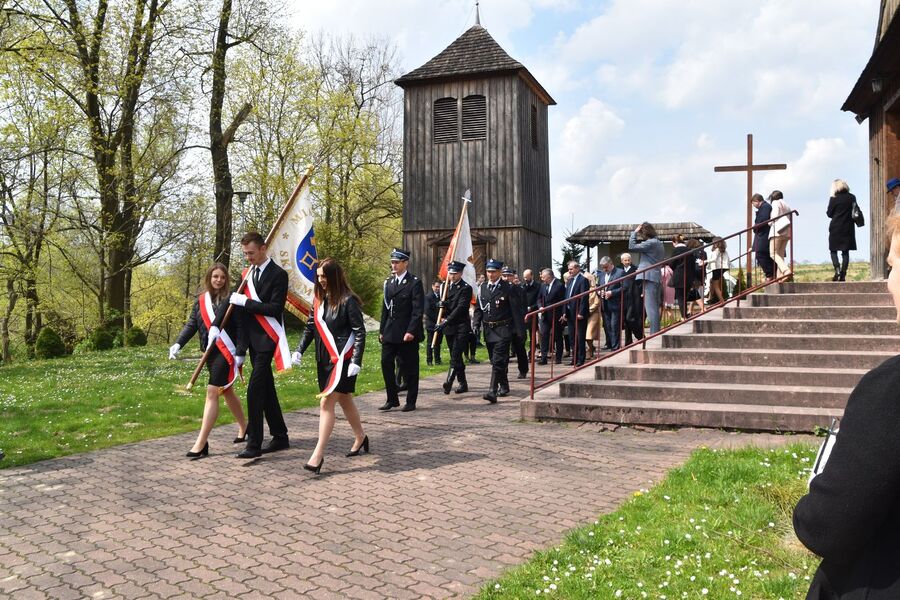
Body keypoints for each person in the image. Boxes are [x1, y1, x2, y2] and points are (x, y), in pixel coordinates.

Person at [793, 211, 900, 599]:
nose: (888, 282)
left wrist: (812, 501)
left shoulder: (890, 392)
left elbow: (825, 526)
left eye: (893, 266)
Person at [291, 258, 367, 475]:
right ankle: (361, 437)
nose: (320, 280)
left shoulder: (348, 300)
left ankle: (317, 455)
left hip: (343, 359)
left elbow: (359, 332)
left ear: (334, 276)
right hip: (323, 359)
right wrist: (299, 350)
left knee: (326, 403)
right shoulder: (318, 299)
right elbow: (310, 327)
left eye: (324, 276)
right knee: (344, 399)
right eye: (318, 276)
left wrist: (356, 361)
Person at [170, 263, 248, 457]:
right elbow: (192, 325)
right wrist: (178, 344)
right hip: (209, 353)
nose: (218, 280)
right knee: (226, 390)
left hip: (226, 352)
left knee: (212, 392)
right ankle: (245, 427)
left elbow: (240, 328)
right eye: (215, 276)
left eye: (222, 277)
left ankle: (201, 443)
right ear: (209, 278)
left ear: (226, 279)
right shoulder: (201, 301)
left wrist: (240, 352)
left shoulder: (232, 301)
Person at [226, 232, 291, 459]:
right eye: (245, 254)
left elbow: (275, 309)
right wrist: (240, 348)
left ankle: (254, 444)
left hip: (268, 338)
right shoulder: (247, 274)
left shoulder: (278, 275)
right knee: (266, 389)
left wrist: (247, 302)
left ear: (263, 248)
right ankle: (280, 436)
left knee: (255, 390)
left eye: (251, 253)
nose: (248, 258)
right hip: (252, 340)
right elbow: (238, 311)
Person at [378, 248, 424, 412]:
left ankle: (411, 401)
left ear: (405, 263)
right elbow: (385, 308)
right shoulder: (388, 283)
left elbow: (417, 310)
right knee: (386, 363)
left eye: (397, 262)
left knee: (410, 367)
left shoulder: (414, 282)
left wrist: (411, 331)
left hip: (407, 333)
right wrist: (381, 330)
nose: (394, 265)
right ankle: (392, 398)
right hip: (390, 331)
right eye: (392, 262)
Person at [475, 259, 518, 402]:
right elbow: (478, 309)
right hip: (489, 329)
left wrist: (519, 330)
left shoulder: (508, 287)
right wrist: (476, 324)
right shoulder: (483, 287)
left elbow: (515, 310)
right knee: (495, 361)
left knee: (498, 360)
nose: (491, 274)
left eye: (493, 272)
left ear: (499, 272)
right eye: (488, 271)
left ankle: (492, 392)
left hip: (503, 329)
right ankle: (504, 386)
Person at [437, 261, 473, 395]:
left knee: (456, 354)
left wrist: (446, 320)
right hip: (449, 327)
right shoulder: (445, 287)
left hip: (461, 326)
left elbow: (461, 308)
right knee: (455, 355)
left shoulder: (465, 288)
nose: (452, 276)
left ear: (460, 273)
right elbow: (446, 305)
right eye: (450, 273)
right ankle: (463, 383)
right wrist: (441, 305)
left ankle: (449, 381)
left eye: (455, 273)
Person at [629, 222, 665, 333]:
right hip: (655, 277)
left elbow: (632, 246)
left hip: (649, 277)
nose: (641, 236)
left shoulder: (651, 243)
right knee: (653, 307)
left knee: (650, 308)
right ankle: (655, 332)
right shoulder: (658, 243)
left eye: (641, 234)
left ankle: (654, 333)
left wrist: (634, 233)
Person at [827, 179, 858, 282]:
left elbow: (829, 214)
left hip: (836, 227)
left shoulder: (834, 198)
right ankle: (843, 275)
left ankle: (837, 270)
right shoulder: (852, 197)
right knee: (845, 252)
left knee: (833, 250)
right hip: (848, 228)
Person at [502, 266, 529, 378]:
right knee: (503, 351)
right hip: (503, 324)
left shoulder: (519, 290)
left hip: (516, 325)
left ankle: (523, 370)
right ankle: (503, 372)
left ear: (513, 277)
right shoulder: (499, 289)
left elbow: (523, 308)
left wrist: (521, 326)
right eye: (504, 275)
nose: (507, 278)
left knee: (519, 349)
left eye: (509, 275)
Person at [561, 261, 589, 366]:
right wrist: (564, 312)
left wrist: (581, 312)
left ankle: (581, 359)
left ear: (577, 268)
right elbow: (566, 297)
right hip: (569, 313)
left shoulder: (583, 280)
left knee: (580, 337)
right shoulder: (569, 281)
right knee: (572, 337)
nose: (569, 271)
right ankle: (574, 358)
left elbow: (584, 297)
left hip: (578, 313)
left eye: (571, 269)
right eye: (569, 269)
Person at [596, 256, 624, 351]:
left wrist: (612, 293)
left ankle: (615, 347)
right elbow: (598, 287)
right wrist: (599, 292)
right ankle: (612, 344)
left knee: (615, 326)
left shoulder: (620, 272)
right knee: (607, 326)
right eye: (603, 267)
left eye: (606, 267)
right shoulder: (601, 275)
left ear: (611, 264)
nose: (604, 269)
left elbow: (625, 287)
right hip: (605, 304)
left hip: (616, 304)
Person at [538, 267, 565, 364]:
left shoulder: (559, 285)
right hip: (545, 315)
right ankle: (543, 358)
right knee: (544, 335)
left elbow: (563, 301)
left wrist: (563, 313)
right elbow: (539, 298)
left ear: (549, 276)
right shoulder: (543, 285)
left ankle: (558, 358)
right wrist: (540, 307)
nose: (542, 279)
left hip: (556, 315)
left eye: (543, 277)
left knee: (557, 337)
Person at [768, 190, 795, 279]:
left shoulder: (775, 203)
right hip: (786, 232)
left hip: (777, 231)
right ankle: (780, 276)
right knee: (780, 254)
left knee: (773, 253)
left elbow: (774, 217)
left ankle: (786, 271)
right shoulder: (787, 205)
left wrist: (769, 223)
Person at [618, 253, 643, 346]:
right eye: (625, 260)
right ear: (621, 261)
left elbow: (640, 283)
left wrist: (641, 292)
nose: (627, 262)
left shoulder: (635, 269)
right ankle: (628, 341)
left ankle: (640, 335)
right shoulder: (619, 271)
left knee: (631, 318)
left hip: (634, 296)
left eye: (628, 260)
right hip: (623, 296)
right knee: (625, 319)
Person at [751, 193, 775, 282]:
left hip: (764, 234)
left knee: (760, 254)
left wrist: (756, 226)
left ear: (756, 201)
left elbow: (764, 219)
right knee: (764, 254)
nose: (753, 205)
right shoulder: (765, 207)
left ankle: (770, 274)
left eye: (753, 203)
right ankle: (771, 274)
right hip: (762, 234)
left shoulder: (765, 207)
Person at [669, 234, 692, 319]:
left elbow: (671, 263)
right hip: (689, 277)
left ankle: (684, 316)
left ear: (674, 242)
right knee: (685, 297)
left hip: (679, 276)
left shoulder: (676, 250)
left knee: (680, 297)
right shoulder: (689, 250)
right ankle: (685, 315)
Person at [423, 281, 443, 365]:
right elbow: (428, 311)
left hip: (440, 324)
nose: (437, 289)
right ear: (432, 286)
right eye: (436, 287)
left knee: (438, 343)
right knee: (430, 342)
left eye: (439, 287)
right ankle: (429, 360)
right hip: (431, 324)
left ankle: (437, 360)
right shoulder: (428, 297)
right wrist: (438, 319)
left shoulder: (442, 297)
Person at [521, 268, 540, 354]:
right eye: (524, 277)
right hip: (524, 313)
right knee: (523, 334)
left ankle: (532, 353)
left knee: (532, 334)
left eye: (527, 277)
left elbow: (539, 300)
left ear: (532, 276)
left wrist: (531, 307)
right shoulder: (523, 287)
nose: (525, 279)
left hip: (534, 313)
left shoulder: (538, 286)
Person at [585, 272, 602, 357]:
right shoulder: (582, 288)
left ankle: (590, 349)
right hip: (583, 313)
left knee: (589, 333)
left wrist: (589, 310)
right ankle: (591, 347)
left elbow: (597, 302)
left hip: (593, 313)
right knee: (584, 334)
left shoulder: (594, 289)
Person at [708, 237, 729, 304]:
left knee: (715, 285)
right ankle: (710, 297)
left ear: (716, 243)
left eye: (713, 242)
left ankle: (722, 301)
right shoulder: (724, 250)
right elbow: (728, 260)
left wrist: (705, 261)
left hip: (717, 268)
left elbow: (714, 259)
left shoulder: (717, 250)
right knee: (711, 281)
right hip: (723, 268)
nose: (712, 244)